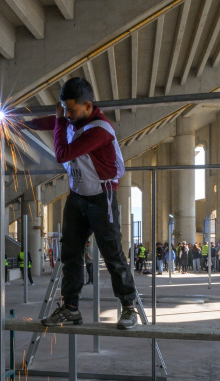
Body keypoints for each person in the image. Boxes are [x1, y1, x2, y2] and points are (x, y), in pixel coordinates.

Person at [27, 77, 138, 330]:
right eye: (64, 109)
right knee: (70, 253)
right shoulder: (74, 118)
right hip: (77, 196)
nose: (66, 115)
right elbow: (50, 122)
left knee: (112, 254)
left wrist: (57, 120)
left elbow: (62, 154)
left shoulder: (100, 129)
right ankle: (71, 308)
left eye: (71, 110)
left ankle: (129, 307)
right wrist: (22, 124)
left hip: (102, 197)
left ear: (88, 106)